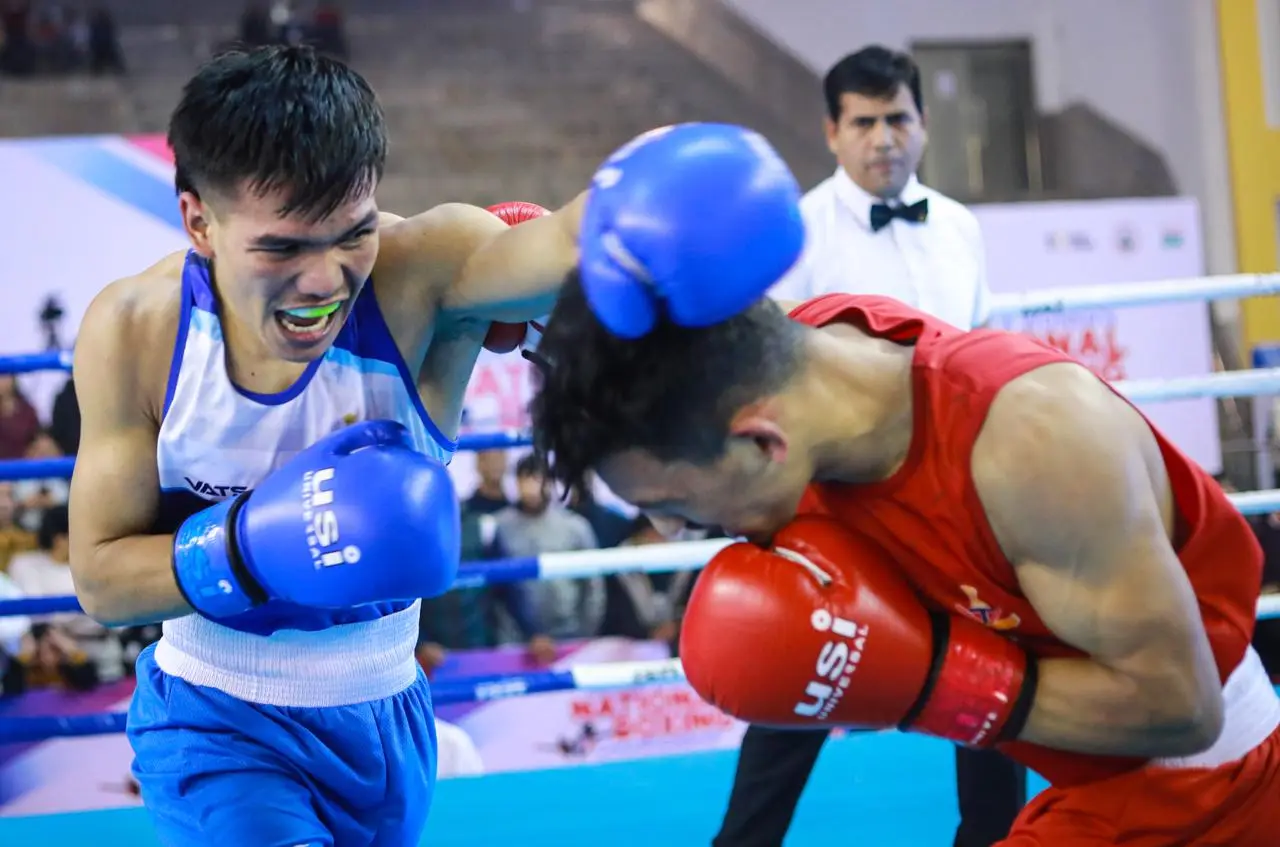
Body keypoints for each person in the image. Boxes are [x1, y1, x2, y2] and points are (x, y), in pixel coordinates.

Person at [528, 122, 1280, 844]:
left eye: (677, 506)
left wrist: (928, 680)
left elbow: (1183, 708)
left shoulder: (1033, 442)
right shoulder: (779, 353)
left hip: (1215, 792)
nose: (673, 532)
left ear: (762, 439)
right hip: (1085, 785)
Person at [67, 45, 582, 846]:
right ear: (198, 218)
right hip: (217, 719)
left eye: (352, 234)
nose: (324, 280)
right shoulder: (137, 330)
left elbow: (568, 254)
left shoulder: (426, 271)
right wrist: (247, 546)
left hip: (388, 713)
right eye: (282, 247)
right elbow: (100, 580)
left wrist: (652, 203)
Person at [747, 45, 1017, 847]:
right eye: (863, 122)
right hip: (841, 491)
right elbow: (771, 374)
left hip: (957, 485)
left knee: (990, 671)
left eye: (897, 118)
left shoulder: (960, 228)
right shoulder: (794, 231)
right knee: (802, 672)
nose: (883, 138)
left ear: (924, 125)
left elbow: (990, 350)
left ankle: (994, 837)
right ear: (832, 132)